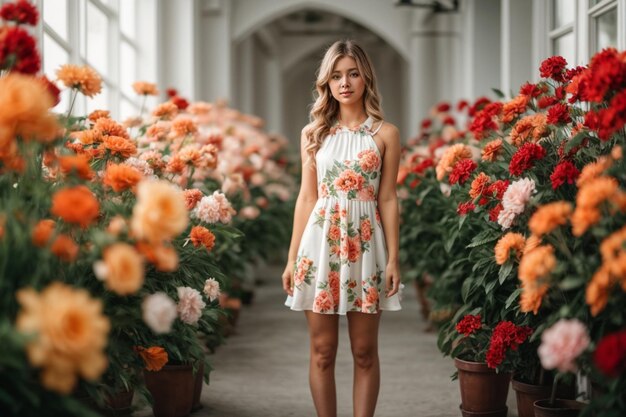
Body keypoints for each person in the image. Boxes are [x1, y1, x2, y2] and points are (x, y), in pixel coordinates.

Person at [282, 39, 402, 417]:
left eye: (352, 73)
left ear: (365, 77)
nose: (344, 82)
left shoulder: (386, 134)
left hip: (367, 248)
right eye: (336, 76)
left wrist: (395, 258)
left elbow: (388, 198)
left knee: (365, 353)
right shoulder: (313, 134)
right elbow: (306, 198)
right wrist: (290, 259)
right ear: (327, 83)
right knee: (322, 351)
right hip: (318, 246)